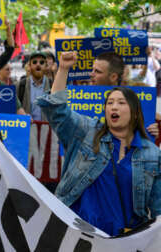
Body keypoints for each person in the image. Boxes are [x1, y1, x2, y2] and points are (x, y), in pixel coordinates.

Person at [37, 51, 161, 236]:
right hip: (76, 236)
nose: (114, 107)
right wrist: (63, 69)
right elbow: (56, 110)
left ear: (135, 113)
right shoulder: (87, 132)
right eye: (110, 102)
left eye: (121, 102)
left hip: (123, 241)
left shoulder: (151, 154)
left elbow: (158, 209)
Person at [90, 51, 158, 137]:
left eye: (97, 71)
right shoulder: (80, 96)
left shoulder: (135, 94)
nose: (91, 74)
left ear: (113, 77)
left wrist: (152, 130)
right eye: (92, 69)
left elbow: (150, 118)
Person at [16, 51, 51, 121]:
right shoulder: (21, 85)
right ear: (29, 65)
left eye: (41, 62)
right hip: (27, 130)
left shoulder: (52, 85)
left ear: (46, 66)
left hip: (48, 130)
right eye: (34, 62)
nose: (38, 65)